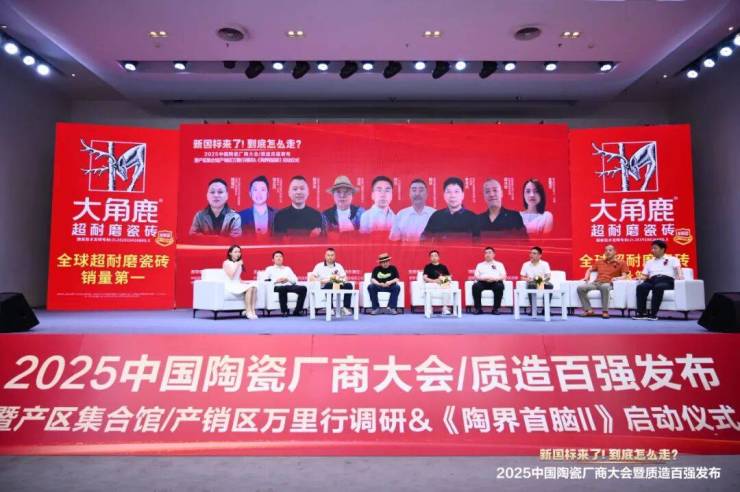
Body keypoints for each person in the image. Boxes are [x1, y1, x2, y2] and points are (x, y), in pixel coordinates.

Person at [633, 240, 684, 321]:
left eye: (655, 248)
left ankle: (653, 314)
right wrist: (639, 278)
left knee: (658, 287)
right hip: (652, 280)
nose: (652, 250)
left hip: (666, 280)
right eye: (652, 248)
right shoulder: (649, 262)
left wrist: (680, 277)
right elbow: (645, 275)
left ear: (662, 249)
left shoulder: (672, 259)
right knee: (641, 287)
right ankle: (642, 313)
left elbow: (678, 270)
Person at [577, 244, 630, 319]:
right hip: (596, 283)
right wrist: (586, 277)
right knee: (580, 288)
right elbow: (589, 269)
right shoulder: (599, 262)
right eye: (606, 250)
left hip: (608, 283)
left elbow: (624, 276)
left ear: (615, 252)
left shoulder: (621, 263)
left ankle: (605, 311)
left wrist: (617, 278)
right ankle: (589, 310)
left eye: (610, 250)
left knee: (605, 287)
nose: (608, 252)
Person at [310, 248, 353, 315]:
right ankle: (330, 308)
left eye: (332, 255)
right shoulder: (319, 266)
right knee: (329, 284)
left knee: (349, 285)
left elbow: (345, 277)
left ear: (335, 256)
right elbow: (311, 278)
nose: (330, 257)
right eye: (328, 255)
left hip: (337, 284)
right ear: (325, 256)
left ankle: (346, 308)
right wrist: (321, 281)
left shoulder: (339, 266)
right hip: (325, 285)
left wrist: (340, 280)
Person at [264, 250, 307, 316]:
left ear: (283, 259)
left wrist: (288, 279)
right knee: (282, 288)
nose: (279, 258)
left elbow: (295, 280)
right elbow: (265, 280)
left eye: (280, 256)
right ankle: (284, 311)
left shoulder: (287, 269)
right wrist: (276, 280)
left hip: (288, 286)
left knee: (303, 288)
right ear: (273, 260)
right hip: (276, 286)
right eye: (277, 256)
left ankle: (297, 310)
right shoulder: (269, 269)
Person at [222, 245, 258, 319]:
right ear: (230, 253)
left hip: (237, 284)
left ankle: (252, 310)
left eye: (239, 252)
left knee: (254, 287)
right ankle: (248, 311)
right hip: (230, 285)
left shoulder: (238, 262)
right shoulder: (226, 263)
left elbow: (237, 277)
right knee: (249, 288)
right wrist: (237, 264)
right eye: (235, 252)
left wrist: (243, 282)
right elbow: (231, 276)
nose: (238, 253)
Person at [472, 246, 507, 315]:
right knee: (475, 286)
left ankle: (495, 309)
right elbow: (476, 276)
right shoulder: (480, 265)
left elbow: (504, 276)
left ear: (494, 254)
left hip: (495, 282)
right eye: (486, 253)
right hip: (483, 282)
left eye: (489, 253)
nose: (487, 254)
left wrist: (494, 279)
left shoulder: (499, 264)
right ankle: (478, 309)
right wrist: (484, 278)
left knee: (499, 286)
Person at [520, 246, 552, 313]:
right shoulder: (525, 264)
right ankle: (533, 309)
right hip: (531, 282)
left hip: (541, 281)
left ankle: (546, 310)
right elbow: (522, 277)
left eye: (534, 253)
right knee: (531, 285)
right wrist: (527, 279)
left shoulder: (545, 264)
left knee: (550, 285)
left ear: (540, 255)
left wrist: (541, 281)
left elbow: (548, 276)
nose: (531, 255)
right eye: (531, 253)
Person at [423, 250, 454, 315]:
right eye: (432, 256)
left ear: (438, 257)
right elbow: (425, 278)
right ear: (430, 258)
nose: (434, 257)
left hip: (441, 283)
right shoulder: (427, 266)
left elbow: (448, 277)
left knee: (447, 285)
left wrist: (441, 280)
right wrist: (434, 281)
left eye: (435, 256)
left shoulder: (443, 267)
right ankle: (429, 309)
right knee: (428, 286)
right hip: (431, 283)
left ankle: (445, 308)